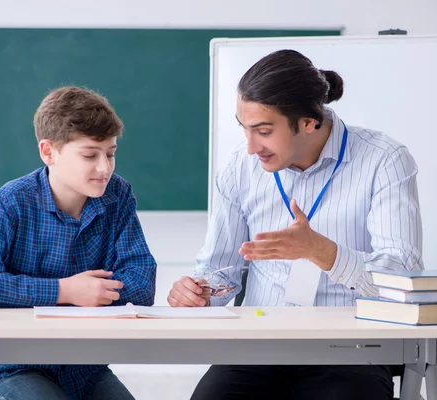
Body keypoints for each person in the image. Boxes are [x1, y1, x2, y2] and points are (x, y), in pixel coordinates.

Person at [168, 49, 423, 399]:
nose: (251, 147)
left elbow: (403, 279)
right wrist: (198, 292)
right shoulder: (239, 169)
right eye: (245, 130)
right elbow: (218, 272)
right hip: (259, 343)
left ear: (307, 121)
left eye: (264, 131)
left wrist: (321, 251)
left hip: (351, 349)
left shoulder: (383, 160)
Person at [0, 86, 157, 400]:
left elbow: (142, 282)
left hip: (85, 368)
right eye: (90, 155)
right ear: (48, 152)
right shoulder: (12, 201)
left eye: (111, 153)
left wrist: (95, 293)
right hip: (15, 368)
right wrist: (66, 291)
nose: (105, 167)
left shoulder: (118, 196)